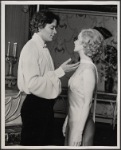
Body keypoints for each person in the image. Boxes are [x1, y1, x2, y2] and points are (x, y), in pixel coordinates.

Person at [17, 10, 79, 146]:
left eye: (55, 28)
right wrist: (59, 72)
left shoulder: (42, 48)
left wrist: (59, 71)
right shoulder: (31, 48)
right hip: (35, 107)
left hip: (43, 107)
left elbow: (44, 78)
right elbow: (33, 83)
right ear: (40, 26)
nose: (55, 32)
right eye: (52, 27)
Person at [62, 28, 104, 146]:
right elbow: (76, 99)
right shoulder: (82, 65)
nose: (74, 42)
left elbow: (87, 103)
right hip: (73, 122)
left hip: (81, 126)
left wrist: (78, 133)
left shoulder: (89, 70)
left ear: (85, 44)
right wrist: (67, 120)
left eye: (78, 40)